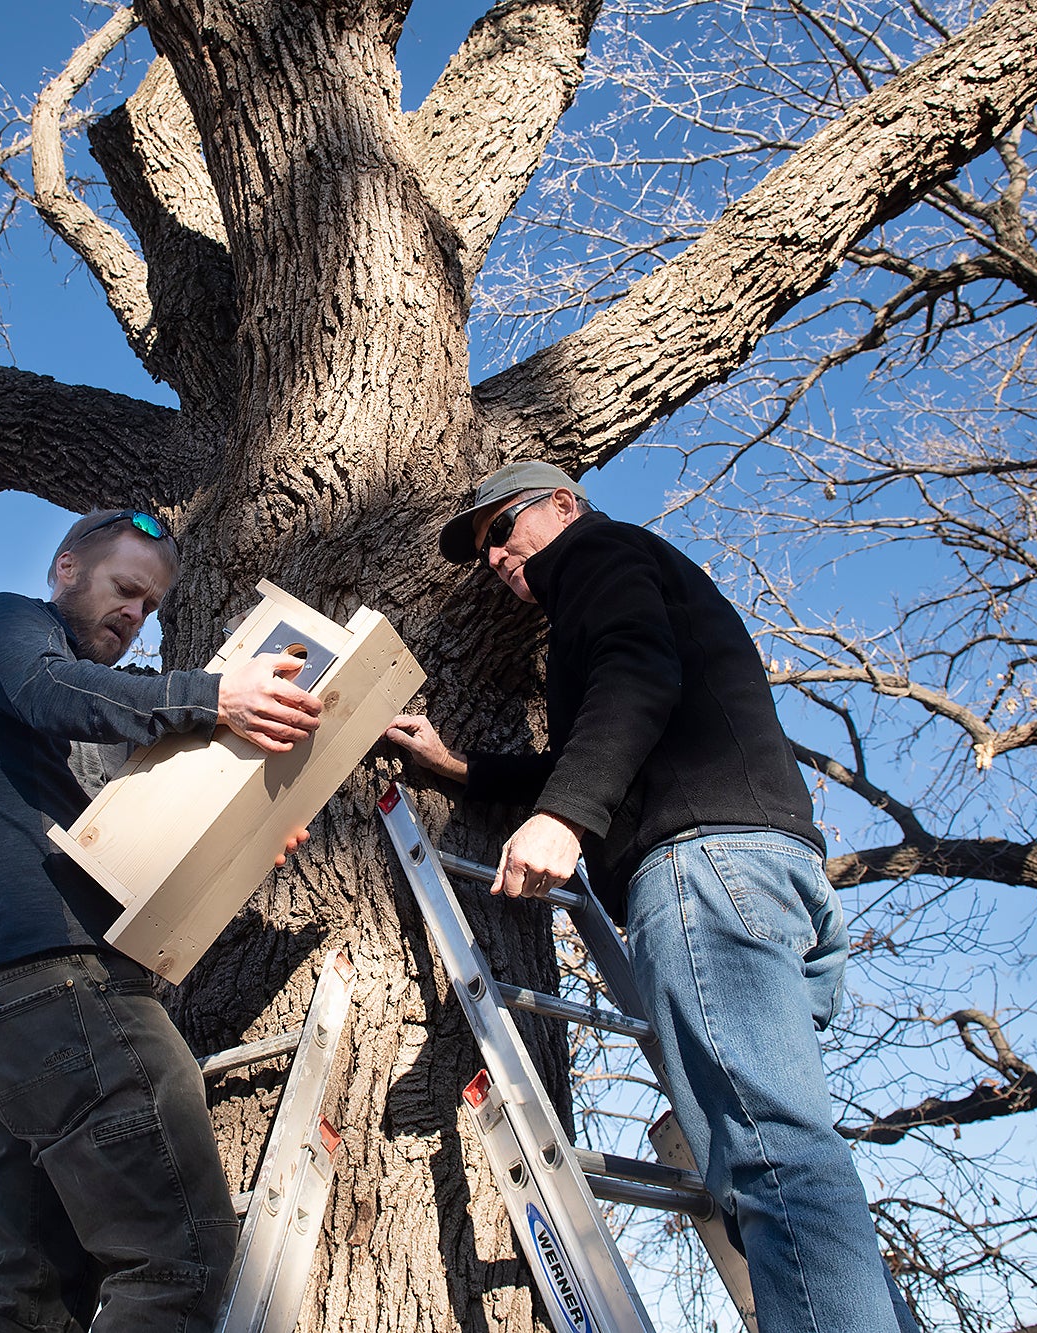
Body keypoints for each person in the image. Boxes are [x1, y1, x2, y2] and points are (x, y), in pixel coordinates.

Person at [385, 462, 919, 1333]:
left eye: (500, 528)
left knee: (771, 1161)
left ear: (563, 504)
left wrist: (564, 816)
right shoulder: (618, 591)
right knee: (778, 1164)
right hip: (766, 877)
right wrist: (462, 768)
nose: (492, 556)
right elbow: (607, 728)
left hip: (703, 874)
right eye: (479, 548)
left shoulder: (598, 554)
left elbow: (636, 675)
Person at [0, 508, 324, 1333]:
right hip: (55, 987)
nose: (135, 614)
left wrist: (247, 833)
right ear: (67, 567)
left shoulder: (100, 730)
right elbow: (50, 689)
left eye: (149, 606)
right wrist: (217, 694)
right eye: (125, 589)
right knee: (176, 1256)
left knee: (33, 1285)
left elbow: (141, 841)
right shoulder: (6, 625)